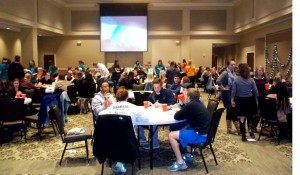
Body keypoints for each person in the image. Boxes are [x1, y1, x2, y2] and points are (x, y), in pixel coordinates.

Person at [99, 87, 143, 173]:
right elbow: (146, 118)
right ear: (127, 97)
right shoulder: (133, 107)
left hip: (112, 138)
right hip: (129, 137)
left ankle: (119, 160)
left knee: (118, 137)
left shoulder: (111, 107)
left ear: (116, 97)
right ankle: (124, 159)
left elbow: (101, 115)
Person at [167, 88, 211, 172]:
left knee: (171, 135)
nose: (184, 96)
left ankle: (180, 163)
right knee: (186, 128)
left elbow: (176, 116)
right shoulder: (197, 103)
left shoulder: (190, 105)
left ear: (189, 97)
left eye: (185, 94)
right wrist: (184, 104)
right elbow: (186, 112)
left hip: (200, 136)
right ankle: (188, 155)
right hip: (206, 133)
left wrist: (182, 104)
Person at [138, 78, 176, 149]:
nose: (156, 89)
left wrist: (161, 104)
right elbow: (151, 103)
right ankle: (142, 139)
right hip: (155, 114)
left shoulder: (168, 92)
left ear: (161, 86)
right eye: (154, 87)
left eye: (158, 87)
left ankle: (155, 144)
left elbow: (173, 103)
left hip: (166, 115)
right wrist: (150, 104)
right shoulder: (152, 94)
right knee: (138, 118)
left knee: (153, 122)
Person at [231, 63, 259, 142]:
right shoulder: (251, 80)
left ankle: (243, 135)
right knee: (250, 117)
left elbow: (234, 91)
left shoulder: (236, 79)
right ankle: (250, 131)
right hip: (249, 100)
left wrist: (232, 99)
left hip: (240, 100)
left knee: (242, 118)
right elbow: (255, 91)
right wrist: (257, 99)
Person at [216, 59, 239, 135]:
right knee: (231, 109)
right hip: (227, 94)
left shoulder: (233, 73)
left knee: (231, 110)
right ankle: (235, 128)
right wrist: (223, 88)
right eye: (231, 64)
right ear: (228, 65)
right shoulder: (225, 73)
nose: (233, 66)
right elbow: (218, 80)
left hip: (232, 93)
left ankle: (230, 129)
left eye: (234, 64)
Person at [252, 66, 267, 132]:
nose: (260, 71)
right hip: (254, 97)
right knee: (254, 113)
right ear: (256, 71)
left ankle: (254, 126)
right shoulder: (253, 79)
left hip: (262, 97)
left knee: (259, 113)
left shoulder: (264, 79)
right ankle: (252, 126)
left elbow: (266, 88)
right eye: (259, 70)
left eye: (261, 70)